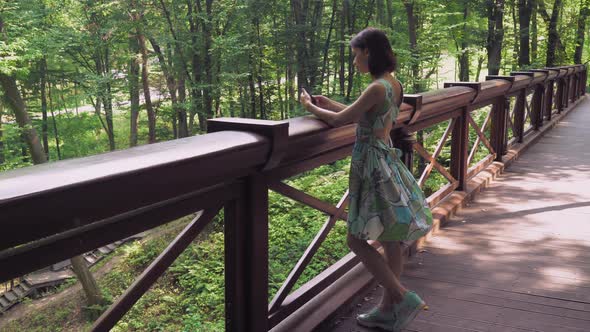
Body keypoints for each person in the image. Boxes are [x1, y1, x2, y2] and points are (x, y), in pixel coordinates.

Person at [299, 27, 433, 331]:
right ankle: (387, 310)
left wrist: (310, 107)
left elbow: (339, 121)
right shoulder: (392, 84)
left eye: (356, 55)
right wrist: (329, 103)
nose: (354, 61)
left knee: (355, 239)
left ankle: (401, 297)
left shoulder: (375, 87)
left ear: (368, 52)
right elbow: (362, 114)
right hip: (385, 157)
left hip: (370, 163)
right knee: (390, 238)